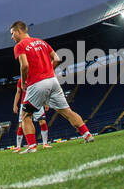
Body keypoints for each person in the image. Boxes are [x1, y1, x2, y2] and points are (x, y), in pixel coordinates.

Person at [9, 21, 93, 149]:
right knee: (67, 111)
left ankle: (32, 147)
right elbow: (57, 59)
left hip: (37, 83)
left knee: (25, 116)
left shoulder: (20, 46)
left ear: (18, 31)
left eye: (12, 33)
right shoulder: (41, 42)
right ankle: (87, 134)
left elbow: (24, 65)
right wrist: (48, 70)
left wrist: (24, 81)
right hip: (53, 81)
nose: (12, 37)